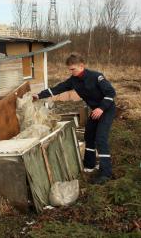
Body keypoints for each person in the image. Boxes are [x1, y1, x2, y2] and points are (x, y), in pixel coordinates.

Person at [33, 54, 116, 185]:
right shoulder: (73, 80)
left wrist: (101, 108)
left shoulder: (96, 77)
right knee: (89, 136)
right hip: (94, 110)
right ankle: (89, 165)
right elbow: (58, 88)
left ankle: (106, 172)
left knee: (100, 138)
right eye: (70, 70)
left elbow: (111, 92)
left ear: (81, 66)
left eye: (73, 69)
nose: (71, 72)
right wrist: (39, 95)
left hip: (106, 109)